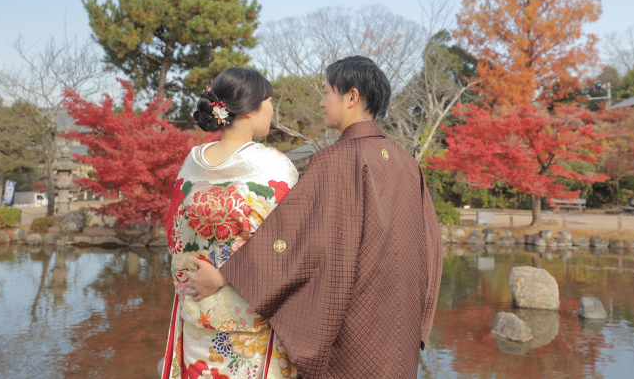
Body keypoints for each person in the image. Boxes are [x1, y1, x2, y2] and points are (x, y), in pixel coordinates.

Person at [185, 55, 444, 379]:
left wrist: (225, 276)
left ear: (351, 97)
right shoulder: (408, 163)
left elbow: (297, 241)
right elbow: (431, 249)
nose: (321, 102)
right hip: (398, 330)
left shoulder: (337, 160)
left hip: (356, 332)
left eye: (326, 92)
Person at [161, 67, 300, 379]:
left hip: (197, 311)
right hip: (253, 322)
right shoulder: (276, 167)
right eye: (269, 101)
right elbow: (290, 247)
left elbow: (174, 234)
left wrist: (203, 275)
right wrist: (228, 275)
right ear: (250, 109)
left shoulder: (191, 162)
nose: (273, 109)